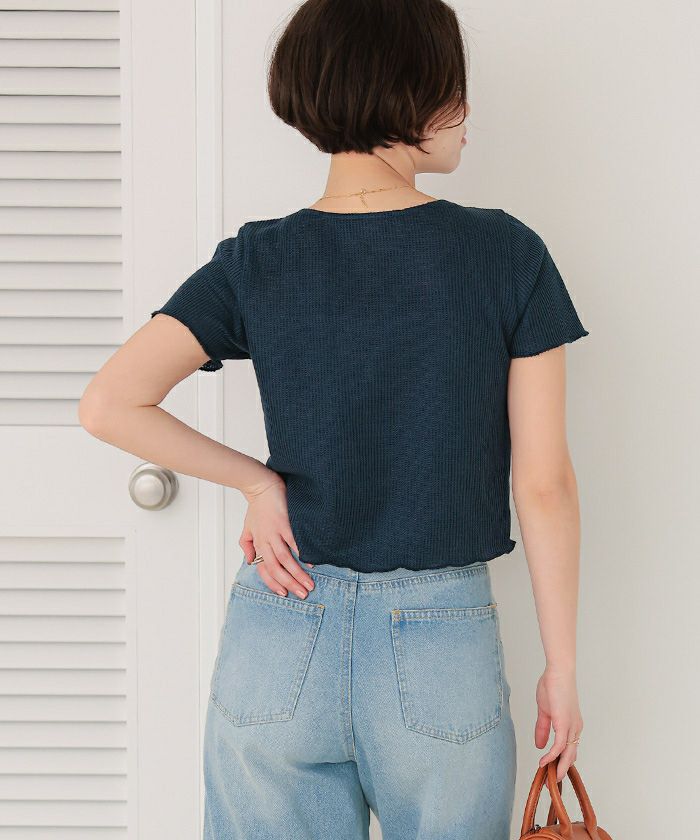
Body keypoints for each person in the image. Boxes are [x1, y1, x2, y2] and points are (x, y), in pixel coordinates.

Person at [79, 1, 589, 837]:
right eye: (455, 88)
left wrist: (256, 484)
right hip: (440, 646)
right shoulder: (507, 254)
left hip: (280, 627)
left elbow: (109, 404)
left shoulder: (258, 258)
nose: (467, 112)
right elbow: (543, 485)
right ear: (414, 94)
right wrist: (561, 668)